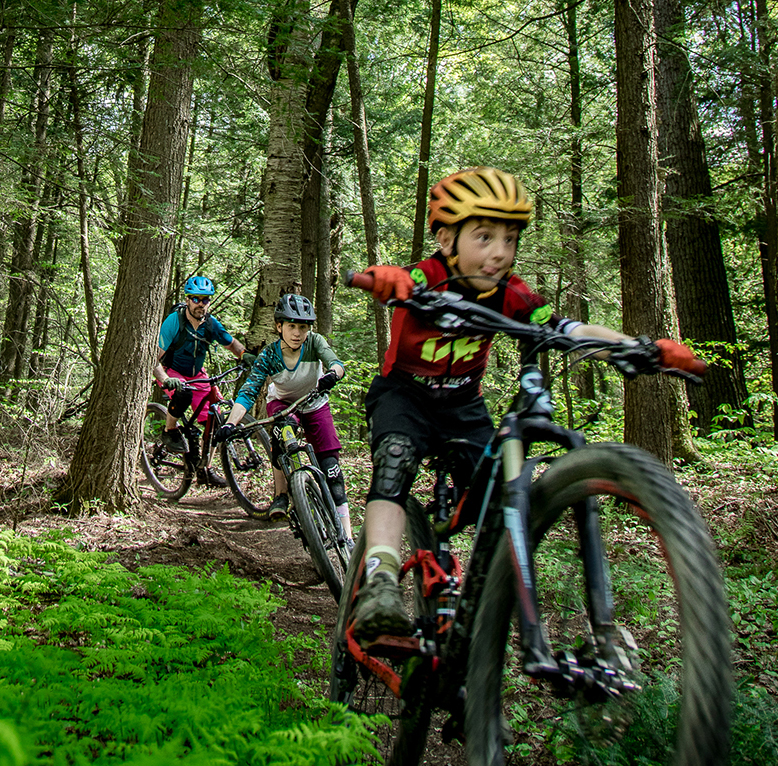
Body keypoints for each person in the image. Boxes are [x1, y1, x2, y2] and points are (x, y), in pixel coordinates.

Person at [349, 166, 699, 649]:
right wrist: (385, 280)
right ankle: (382, 581)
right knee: (395, 461)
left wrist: (636, 347)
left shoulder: (511, 294)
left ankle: (481, 615)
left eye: (510, 239)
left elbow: (568, 329)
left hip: (464, 404)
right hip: (404, 394)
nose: (499, 252)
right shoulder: (425, 278)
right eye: (485, 236)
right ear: (447, 239)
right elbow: (394, 279)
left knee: (498, 497)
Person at [217, 294, 353, 540]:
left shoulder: (315, 342)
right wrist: (230, 423)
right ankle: (282, 494)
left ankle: (348, 538)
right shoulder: (269, 355)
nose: (297, 333)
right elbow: (248, 392)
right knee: (283, 434)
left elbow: (336, 362)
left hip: (315, 403)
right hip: (282, 404)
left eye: (303, 326)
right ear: (279, 326)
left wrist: (334, 373)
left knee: (333, 471)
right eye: (291, 326)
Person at [153, 275, 251, 486]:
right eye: (196, 299)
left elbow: (231, 343)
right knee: (182, 394)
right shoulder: (174, 322)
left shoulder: (210, 324)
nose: (200, 304)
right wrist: (166, 379)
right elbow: (154, 358)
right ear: (188, 299)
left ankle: (205, 468)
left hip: (197, 374)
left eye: (205, 300)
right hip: (173, 372)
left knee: (215, 418)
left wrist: (245, 355)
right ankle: (169, 430)